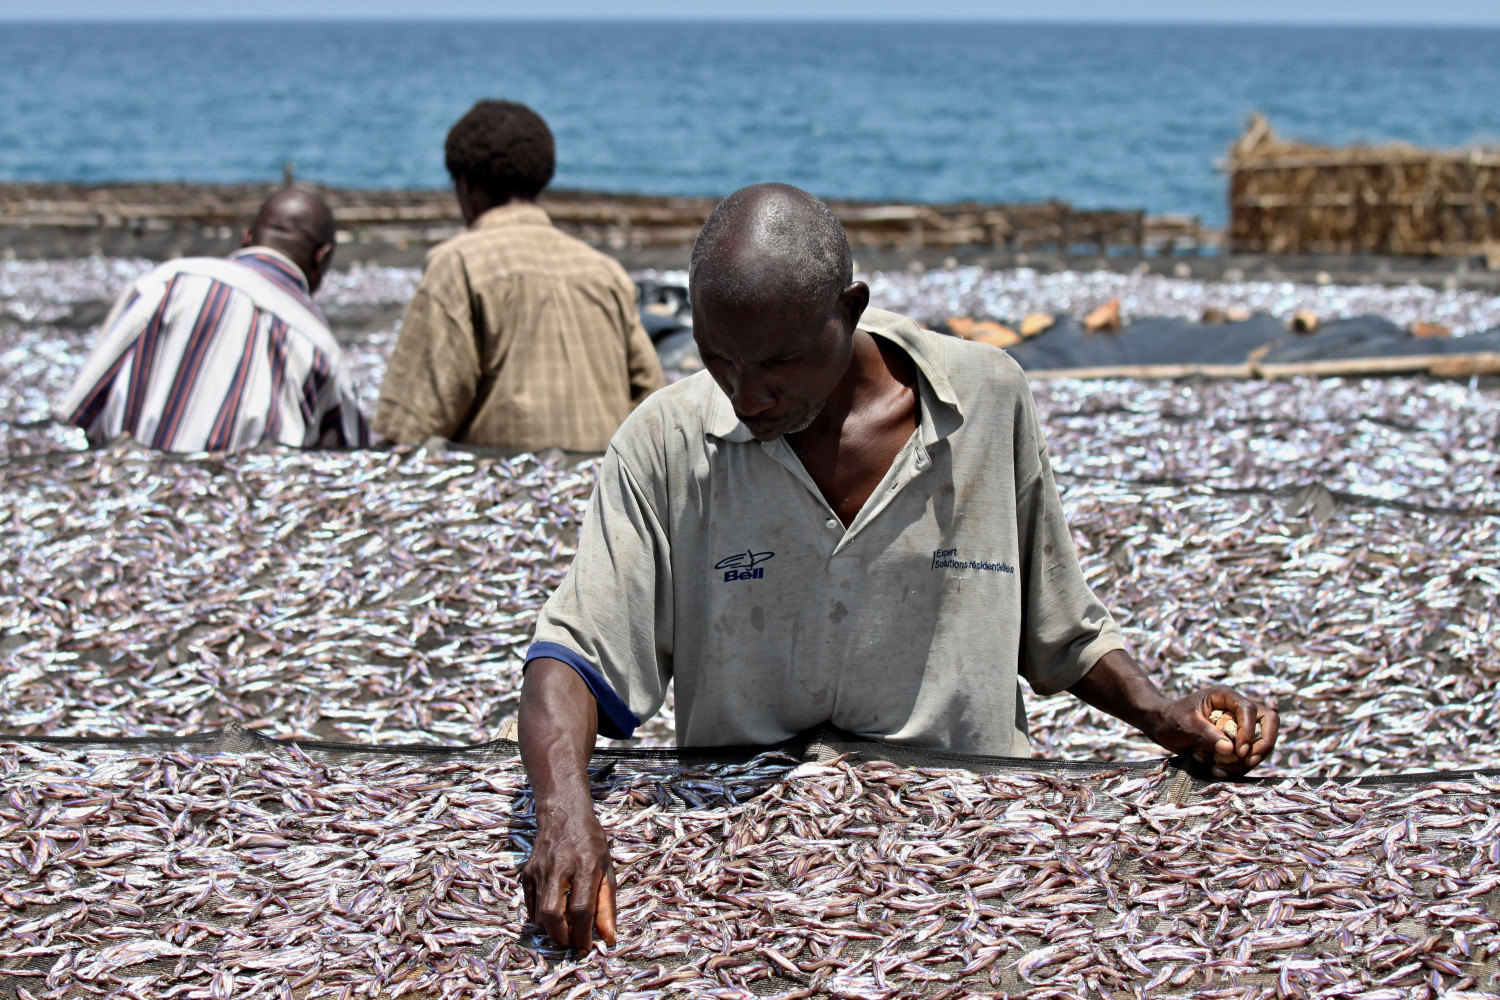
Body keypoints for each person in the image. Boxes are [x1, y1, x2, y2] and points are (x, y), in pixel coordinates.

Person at [516, 183, 1281, 950]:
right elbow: (572, 657)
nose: (748, 394)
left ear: (849, 312)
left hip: (975, 855)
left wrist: (1157, 713)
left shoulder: (984, 400)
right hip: (752, 871)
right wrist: (564, 811)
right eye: (719, 359)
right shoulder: (666, 443)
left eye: (779, 362)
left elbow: (1058, 627)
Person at [374, 100, 665, 452]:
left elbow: (411, 426)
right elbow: (653, 405)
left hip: (505, 494)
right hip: (602, 494)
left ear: (465, 186)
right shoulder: (605, 272)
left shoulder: (458, 266)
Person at [59, 189, 367, 452]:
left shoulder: (164, 282)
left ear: (247, 238)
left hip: (124, 489)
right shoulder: (320, 346)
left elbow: (82, 409)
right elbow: (347, 461)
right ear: (321, 258)